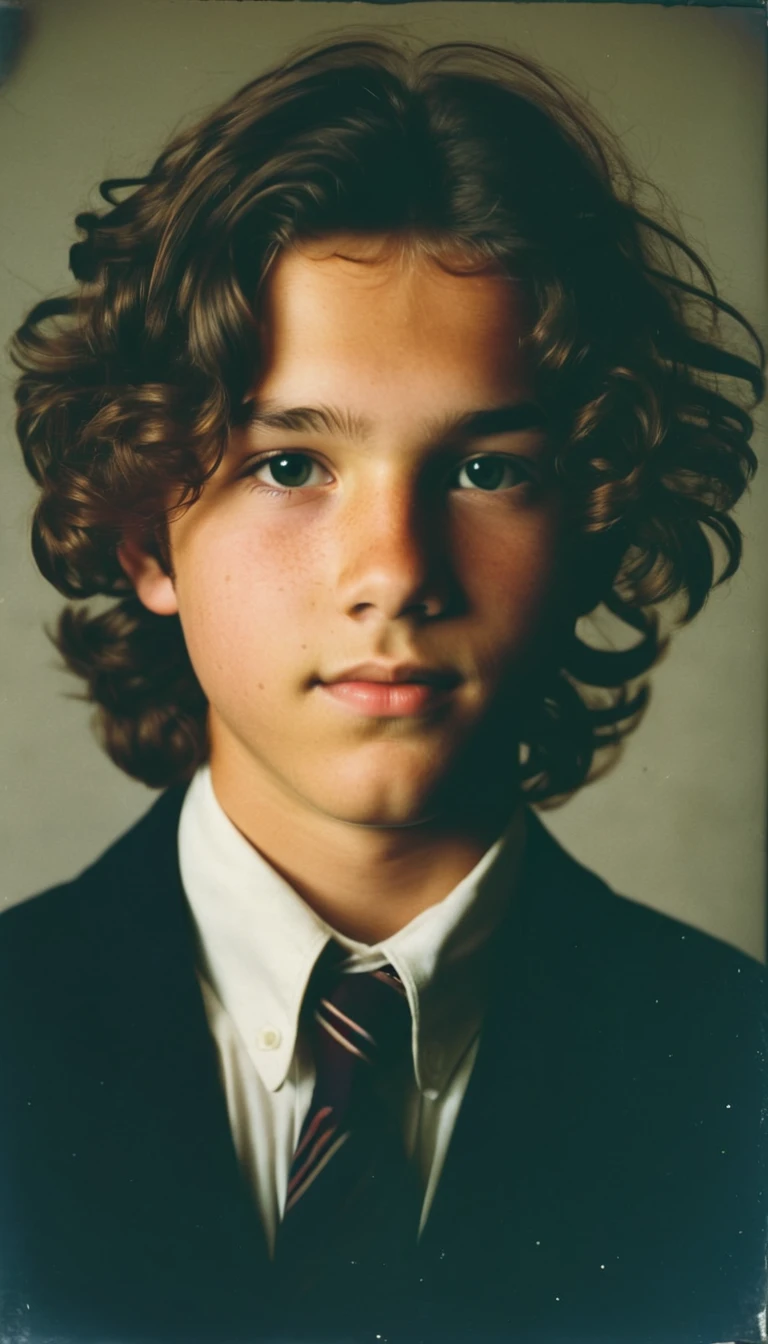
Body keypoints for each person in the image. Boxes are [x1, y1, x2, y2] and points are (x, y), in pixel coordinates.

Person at [2, 31, 766, 1344]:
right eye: (291, 467)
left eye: (484, 471)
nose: (395, 575)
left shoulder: (737, 1067)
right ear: (142, 534)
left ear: (593, 522)